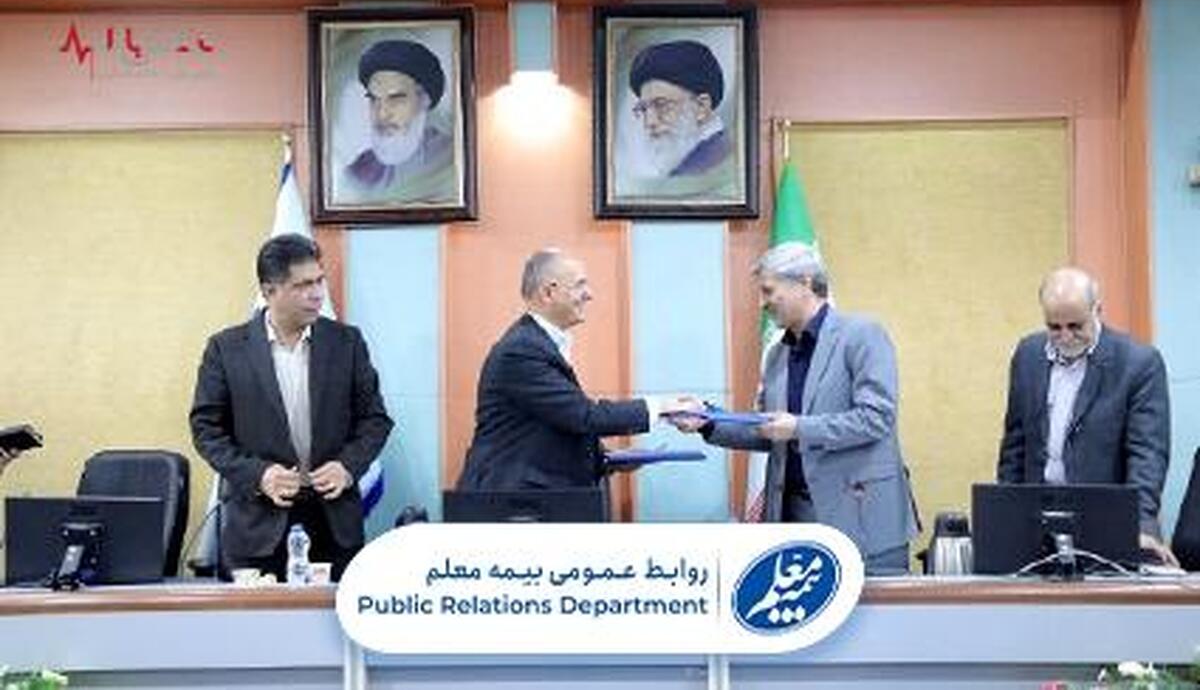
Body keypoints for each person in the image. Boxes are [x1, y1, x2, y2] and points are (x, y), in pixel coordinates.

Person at [671, 242, 919, 575]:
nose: (762, 303)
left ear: (804, 282)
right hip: (794, 521)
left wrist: (799, 428)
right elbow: (769, 429)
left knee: (877, 610)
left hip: (862, 521)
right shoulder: (777, 355)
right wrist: (707, 420)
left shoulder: (862, 335)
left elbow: (876, 419)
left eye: (768, 291)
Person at [189, 233, 393, 581]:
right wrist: (259, 475)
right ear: (269, 291)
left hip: (333, 524)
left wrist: (347, 467)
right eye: (302, 285)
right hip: (257, 525)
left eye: (319, 281)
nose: (317, 294)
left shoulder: (346, 343)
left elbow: (374, 419)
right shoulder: (226, 349)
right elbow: (207, 430)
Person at [456, 248, 694, 492]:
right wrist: (662, 407)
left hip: (529, 497)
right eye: (580, 285)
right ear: (549, 292)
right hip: (510, 500)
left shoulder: (537, 344)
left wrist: (606, 460)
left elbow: (554, 425)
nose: (589, 295)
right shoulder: (521, 350)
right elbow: (583, 416)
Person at [998, 266, 1177, 566]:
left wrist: (1141, 524)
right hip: (1037, 521)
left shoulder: (1138, 363)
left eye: (1075, 325)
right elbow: (1014, 445)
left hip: (1108, 520)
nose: (1065, 336)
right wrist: (1006, 515)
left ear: (1097, 310)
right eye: (1054, 327)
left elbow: (1147, 455)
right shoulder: (1028, 354)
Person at [341, 39, 454, 202]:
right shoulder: (359, 171)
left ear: (424, 100)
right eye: (374, 99)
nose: (382, 114)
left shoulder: (448, 158)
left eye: (395, 99)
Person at [627, 39, 732, 179]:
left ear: (701, 107)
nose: (649, 122)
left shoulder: (712, 162)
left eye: (661, 105)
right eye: (643, 108)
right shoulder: (684, 163)